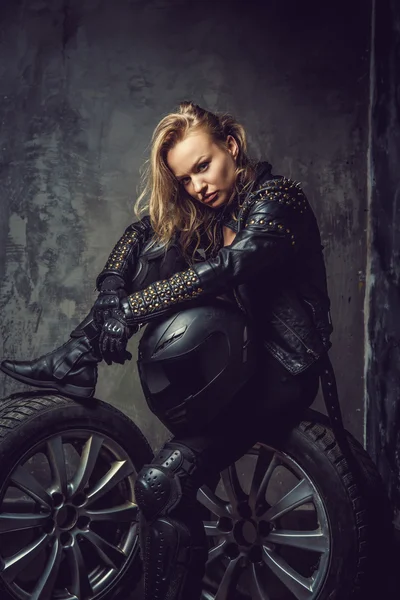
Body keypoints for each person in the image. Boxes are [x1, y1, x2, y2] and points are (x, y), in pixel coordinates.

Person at [0, 101, 333, 599]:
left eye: (203, 166)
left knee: (160, 486)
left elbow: (227, 270)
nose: (198, 185)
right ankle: (77, 358)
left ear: (232, 147)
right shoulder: (209, 212)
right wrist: (113, 292)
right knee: (157, 239)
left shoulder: (277, 199)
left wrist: (133, 310)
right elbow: (138, 235)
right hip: (237, 361)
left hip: (281, 371)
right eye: (185, 179)